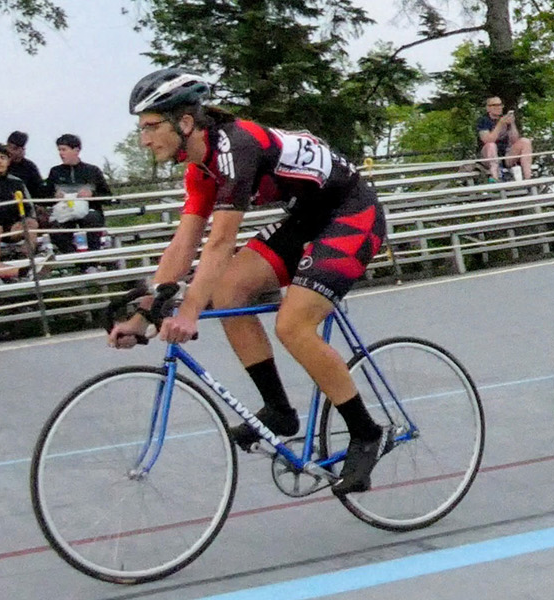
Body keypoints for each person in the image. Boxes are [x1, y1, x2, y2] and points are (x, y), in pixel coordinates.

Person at [108, 68, 389, 494]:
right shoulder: (200, 167)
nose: (144, 139)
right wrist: (145, 312)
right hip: (308, 218)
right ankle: (278, 411)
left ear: (185, 123)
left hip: (352, 213)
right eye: (141, 129)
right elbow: (184, 243)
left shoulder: (236, 148)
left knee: (293, 326)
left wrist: (187, 311)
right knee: (226, 291)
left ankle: (366, 432)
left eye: (150, 126)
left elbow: (220, 243)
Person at [46, 133, 115, 254]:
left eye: (64, 150)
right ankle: (79, 260)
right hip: (65, 214)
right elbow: (44, 197)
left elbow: (108, 197)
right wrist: (54, 197)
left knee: (92, 221)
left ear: (76, 150)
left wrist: (92, 195)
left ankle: (92, 259)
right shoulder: (55, 172)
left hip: (89, 213)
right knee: (56, 231)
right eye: (59, 150)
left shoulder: (92, 171)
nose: (61, 153)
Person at [477, 96, 534, 181]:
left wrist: (512, 124)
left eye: (500, 105)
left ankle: (528, 177)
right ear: (488, 108)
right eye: (495, 105)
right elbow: (487, 140)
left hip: (506, 155)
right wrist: (500, 124)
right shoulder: (483, 121)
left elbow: (514, 140)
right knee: (491, 145)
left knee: (525, 141)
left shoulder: (504, 119)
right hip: (488, 157)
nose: (499, 107)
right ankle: (495, 178)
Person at [4, 131, 53, 199]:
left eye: (16, 149)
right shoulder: (0, 163)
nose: (11, 152)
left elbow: (38, 189)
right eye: (10, 148)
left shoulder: (29, 167)